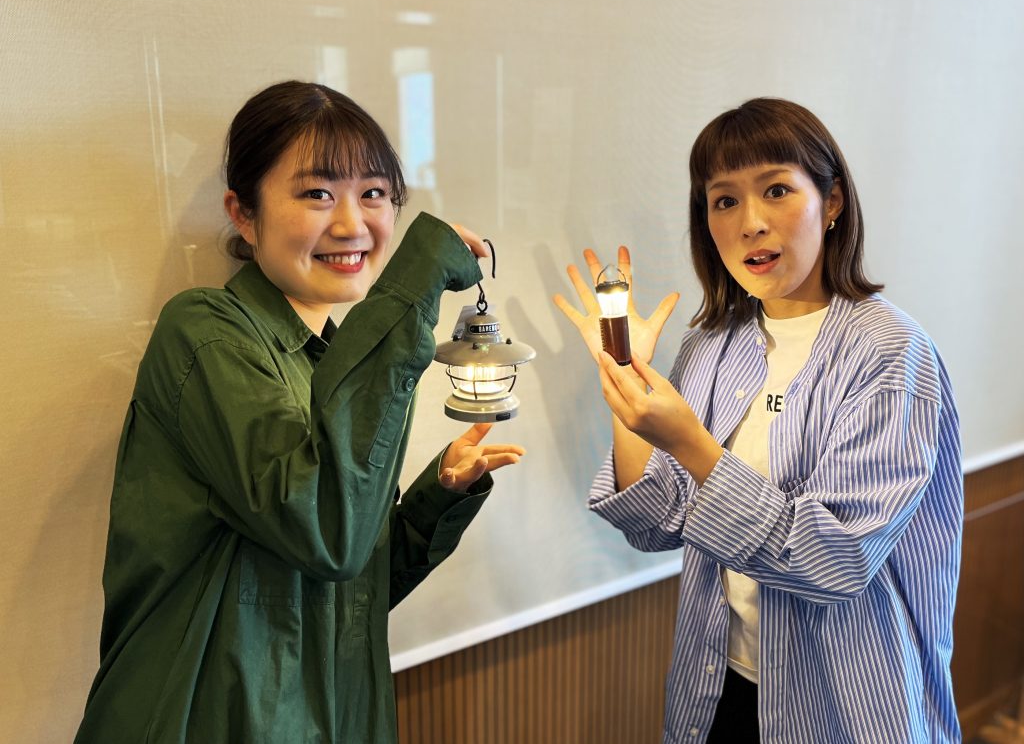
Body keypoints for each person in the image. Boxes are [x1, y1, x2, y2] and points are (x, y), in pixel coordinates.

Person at [74, 81, 525, 743]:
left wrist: (438, 496)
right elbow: (327, 532)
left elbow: (345, 589)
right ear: (244, 213)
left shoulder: (334, 362)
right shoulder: (204, 334)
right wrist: (413, 286)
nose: (351, 224)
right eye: (317, 193)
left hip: (329, 716)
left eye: (374, 193)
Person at [555, 98, 962, 743]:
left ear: (832, 201)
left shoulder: (889, 353)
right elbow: (655, 524)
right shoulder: (713, 345)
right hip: (718, 682)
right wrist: (624, 377)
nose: (750, 224)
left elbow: (836, 561)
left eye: (776, 190)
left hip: (845, 704)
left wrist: (693, 445)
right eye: (724, 201)